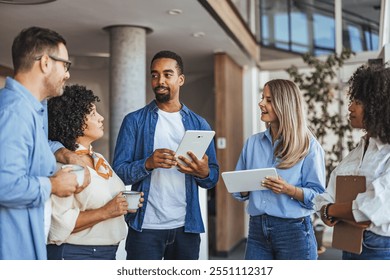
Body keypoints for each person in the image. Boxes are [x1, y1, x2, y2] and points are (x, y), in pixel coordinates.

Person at [113, 50, 219, 260]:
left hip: (186, 228)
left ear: (180, 80)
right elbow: (119, 173)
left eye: (167, 74)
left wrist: (204, 172)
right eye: (154, 75)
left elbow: (212, 177)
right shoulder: (133, 121)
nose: (159, 80)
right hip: (145, 228)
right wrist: (148, 163)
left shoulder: (199, 124)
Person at [0, 26, 82, 260]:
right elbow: (4, 183)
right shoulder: (15, 112)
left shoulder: (32, 109)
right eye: (65, 65)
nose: (67, 74)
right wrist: (53, 186)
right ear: (45, 62)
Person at [46, 84, 143, 260]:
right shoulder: (64, 165)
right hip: (76, 254)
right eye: (92, 113)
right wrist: (107, 211)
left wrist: (123, 205)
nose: (101, 118)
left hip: (107, 253)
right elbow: (57, 226)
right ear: (74, 120)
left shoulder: (99, 158)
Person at [232, 79, 326, 260]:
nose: (261, 104)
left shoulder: (309, 146)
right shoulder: (252, 143)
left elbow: (319, 199)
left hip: (293, 232)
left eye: (268, 100)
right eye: (262, 98)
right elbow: (240, 192)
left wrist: (288, 189)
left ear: (285, 105)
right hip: (257, 230)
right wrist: (243, 186)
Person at [314, 64, 390, 260]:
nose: (350, 107)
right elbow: (329, 193)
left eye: (357, 101)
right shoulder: (360, 149)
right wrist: (331, 209)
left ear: (377, 106)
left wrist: (330, 210)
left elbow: (369, 209)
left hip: (379, 249)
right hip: (349, 243)